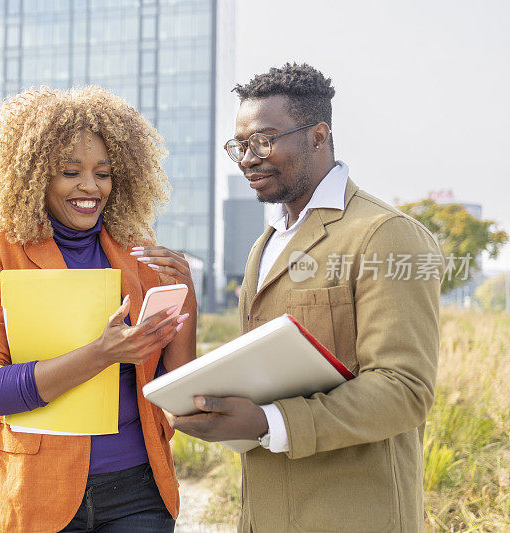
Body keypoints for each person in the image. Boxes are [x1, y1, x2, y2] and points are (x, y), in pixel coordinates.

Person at [166, 63, 442, 532]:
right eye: (241, 145)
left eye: (265, 140)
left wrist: (265, 422)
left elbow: (404, 389)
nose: (248, 158)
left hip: (352, 514)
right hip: (266, 513)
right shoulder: (266, 244)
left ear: (318, 136)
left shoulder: (385, 235)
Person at [0, 86, 197, 533]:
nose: (90, 186)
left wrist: (186, 299)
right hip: (35, 490)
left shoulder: (136, 252)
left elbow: (177, 389)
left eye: (103, 173)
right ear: (30, 176)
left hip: (138, 489)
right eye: (70, 172)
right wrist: (99, 355)